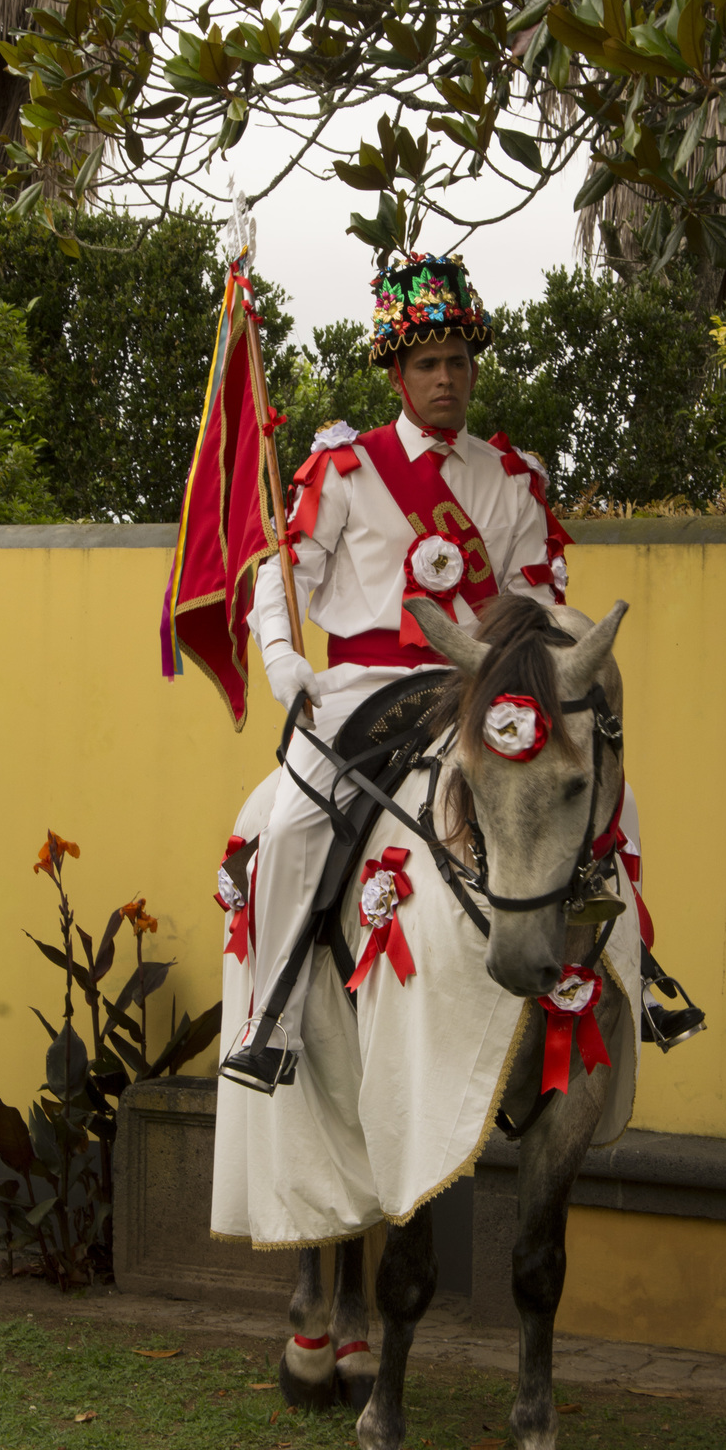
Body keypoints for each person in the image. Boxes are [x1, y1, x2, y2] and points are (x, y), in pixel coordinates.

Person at [220, 253, 570, 1092]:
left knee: (592, 784)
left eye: (458, 361)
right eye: (427, 364)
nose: (445, 378)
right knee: (294, 823)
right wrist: (281, 656)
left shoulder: (511, 481)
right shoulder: (346, 468)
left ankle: (624, 977)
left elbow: (538, 606)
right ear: (397, 376)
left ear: (474, 368)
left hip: (477, 691)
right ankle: (273, 1017)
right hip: (365, 691)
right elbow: (282, 572)